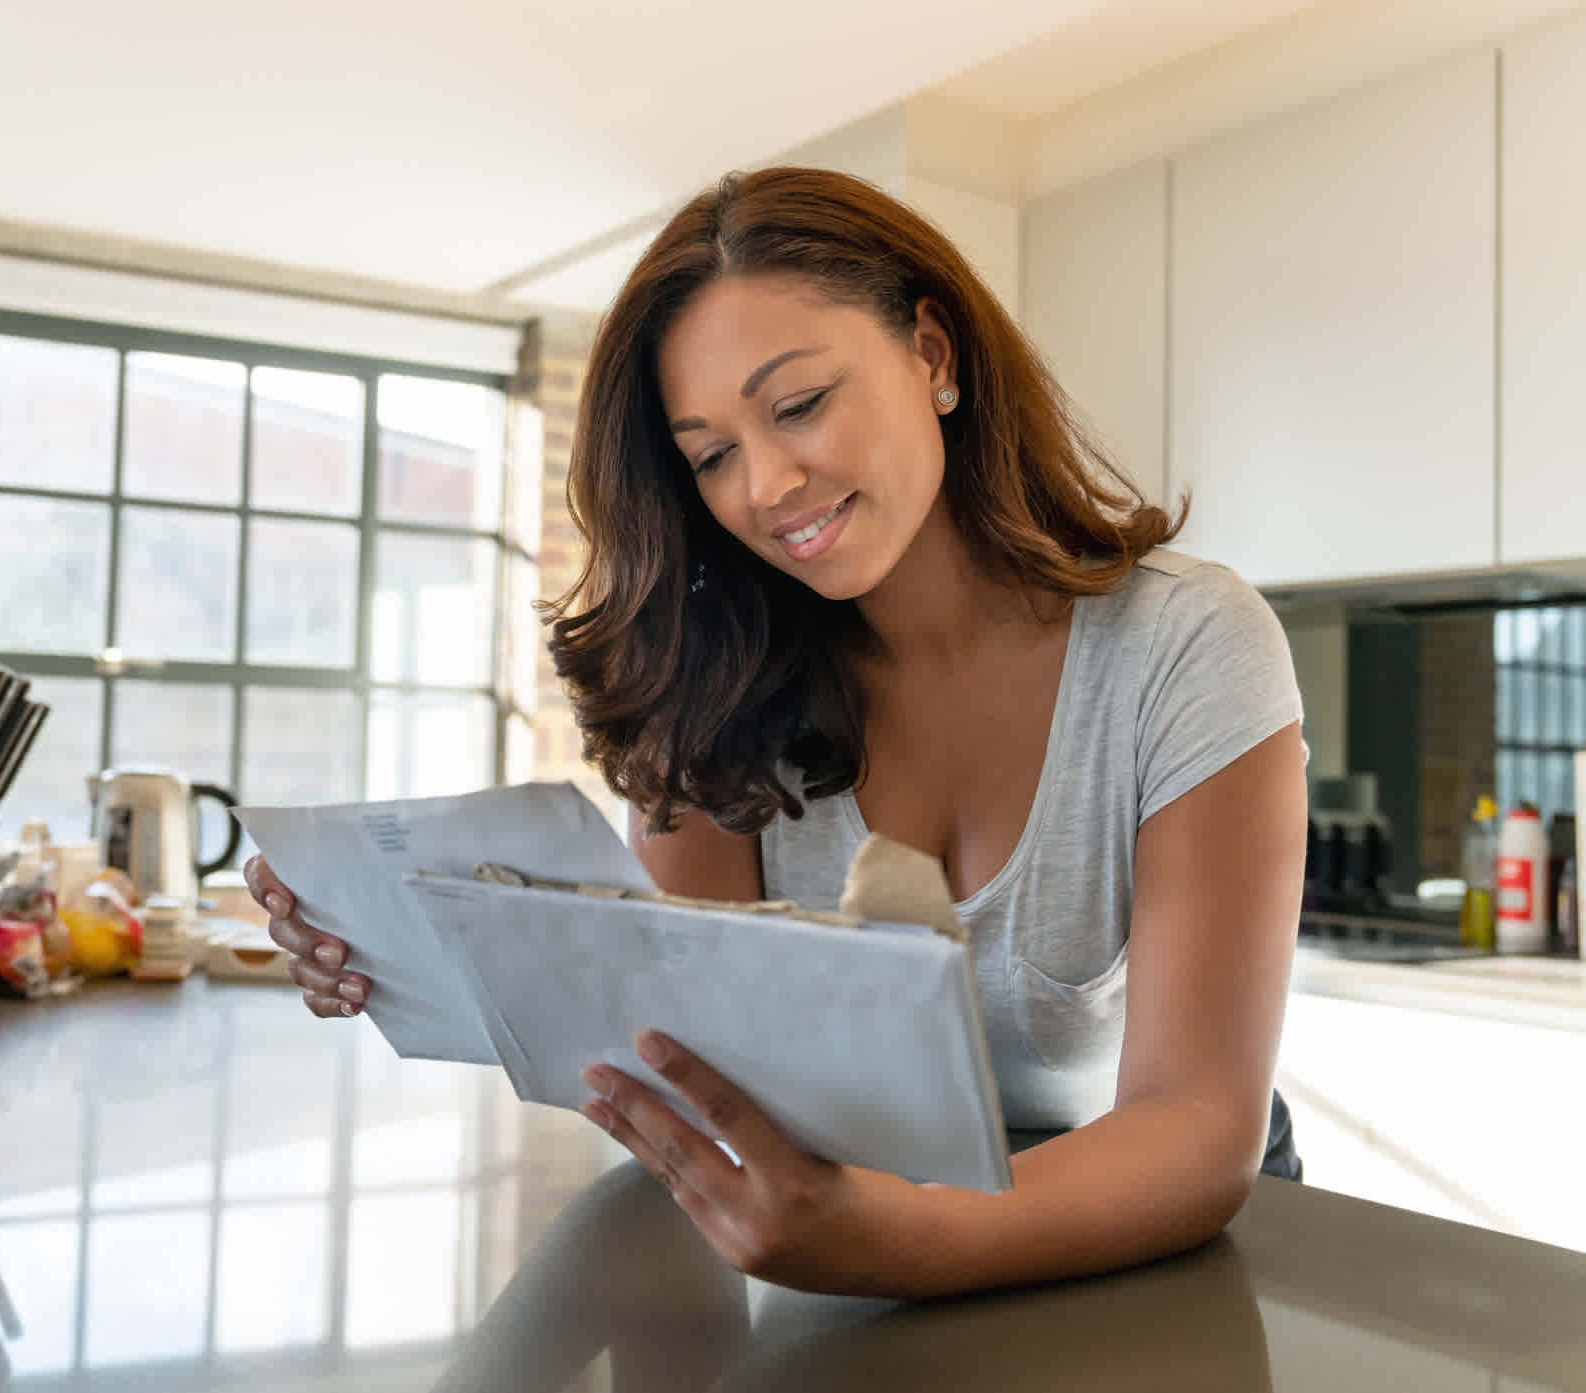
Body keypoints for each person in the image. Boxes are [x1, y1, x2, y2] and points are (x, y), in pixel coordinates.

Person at [248, 165, 1307, 1301]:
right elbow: (684, 1063)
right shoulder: (713, 687)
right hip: (848, 1244)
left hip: (1143, 1252)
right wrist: (414, 960)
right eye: (709, 454)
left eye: (798, 404)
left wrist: (898, 1243)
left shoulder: (1187, 642)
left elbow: (1194, 1125)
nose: (766, 484)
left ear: (934, 356)